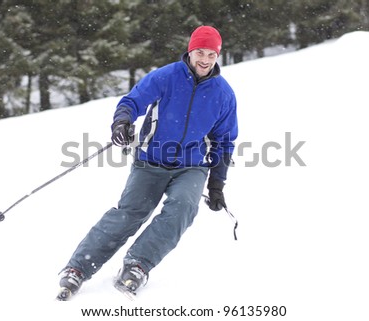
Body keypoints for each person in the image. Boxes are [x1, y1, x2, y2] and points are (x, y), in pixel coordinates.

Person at [58, 25, 238, 298]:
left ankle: (138, 264)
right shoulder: (166, 77)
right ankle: (78, 268)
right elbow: (132, 102)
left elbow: (224, 141)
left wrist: (217, 184)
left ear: (218, 55)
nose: (205, 59)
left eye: (211, 54)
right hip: (150, 159)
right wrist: (122, 123)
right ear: (190, 51)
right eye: (200, 52)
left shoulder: (223, 94)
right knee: (129, 213)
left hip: (191, 165)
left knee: (183, 207)